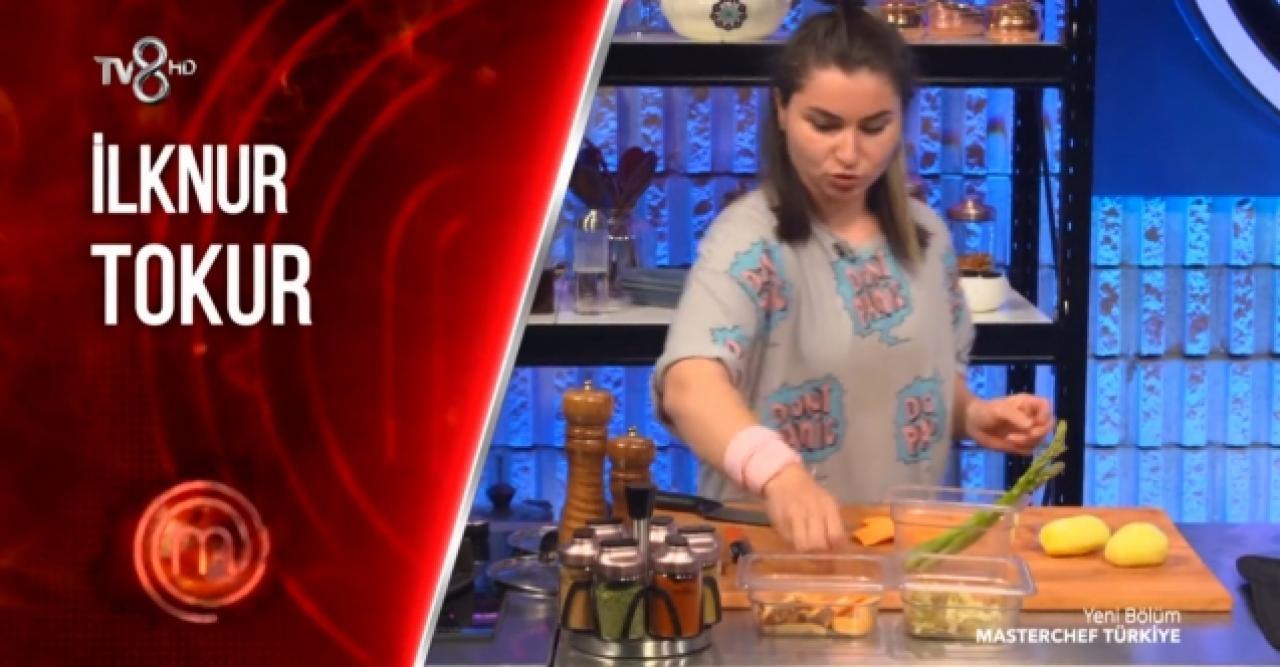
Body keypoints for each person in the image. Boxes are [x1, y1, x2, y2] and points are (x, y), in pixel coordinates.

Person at [650, 0, 1054, 553]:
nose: (849, 153)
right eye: (824, 125)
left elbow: (923, 379)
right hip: (776, 557)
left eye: (874, 127)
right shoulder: (748, 242)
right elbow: (689, 387)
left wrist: (974, 414)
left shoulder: (927, 237)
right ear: (782, 110)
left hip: (907, 555)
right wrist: (779, 475)